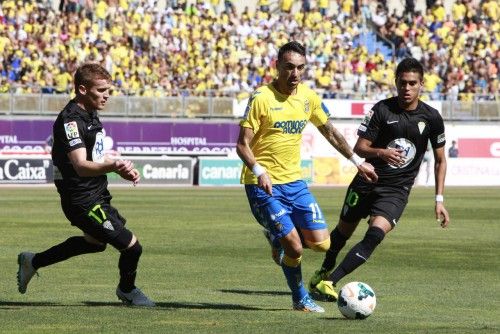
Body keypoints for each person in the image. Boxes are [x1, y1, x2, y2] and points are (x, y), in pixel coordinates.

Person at [236, 41, 377, 313]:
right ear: (277, 67)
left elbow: (330, 132)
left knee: (323, 244)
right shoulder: (261, 97)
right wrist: (259, 170)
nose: (295, 73)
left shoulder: (308, 98)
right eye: (289, 67)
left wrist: (356, 161)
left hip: (295, 184)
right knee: (296, 249)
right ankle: (300, 298)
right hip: (262, 185)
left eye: (300, 68)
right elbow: (242, 144)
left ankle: (277, 237)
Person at [309, 57, 450, 302]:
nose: (407, 88)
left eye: (412, 83)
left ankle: (330, 282)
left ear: (421, 84)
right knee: (341, 234)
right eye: (403, 83)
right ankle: (323, 269)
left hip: (396, 190)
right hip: (366, 182)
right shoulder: (382, 110)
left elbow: (440, 160)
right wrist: (381, 152)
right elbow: (360, 147)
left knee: (374, 236)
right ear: (396, 82)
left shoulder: (432, 118)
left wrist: (439, 199)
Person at [17, 63, 155, 307]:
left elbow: (96, 157)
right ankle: (127, 291)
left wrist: (119, 165)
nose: (107, 95)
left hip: (97, 194)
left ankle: (33, 261)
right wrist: (113, 167)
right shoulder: (70, 121)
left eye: (108, 90)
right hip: (81, 200)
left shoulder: (91, 113)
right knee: (132, 247)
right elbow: (81, 165)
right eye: (101, 90)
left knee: (95, 244)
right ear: (82, 89)